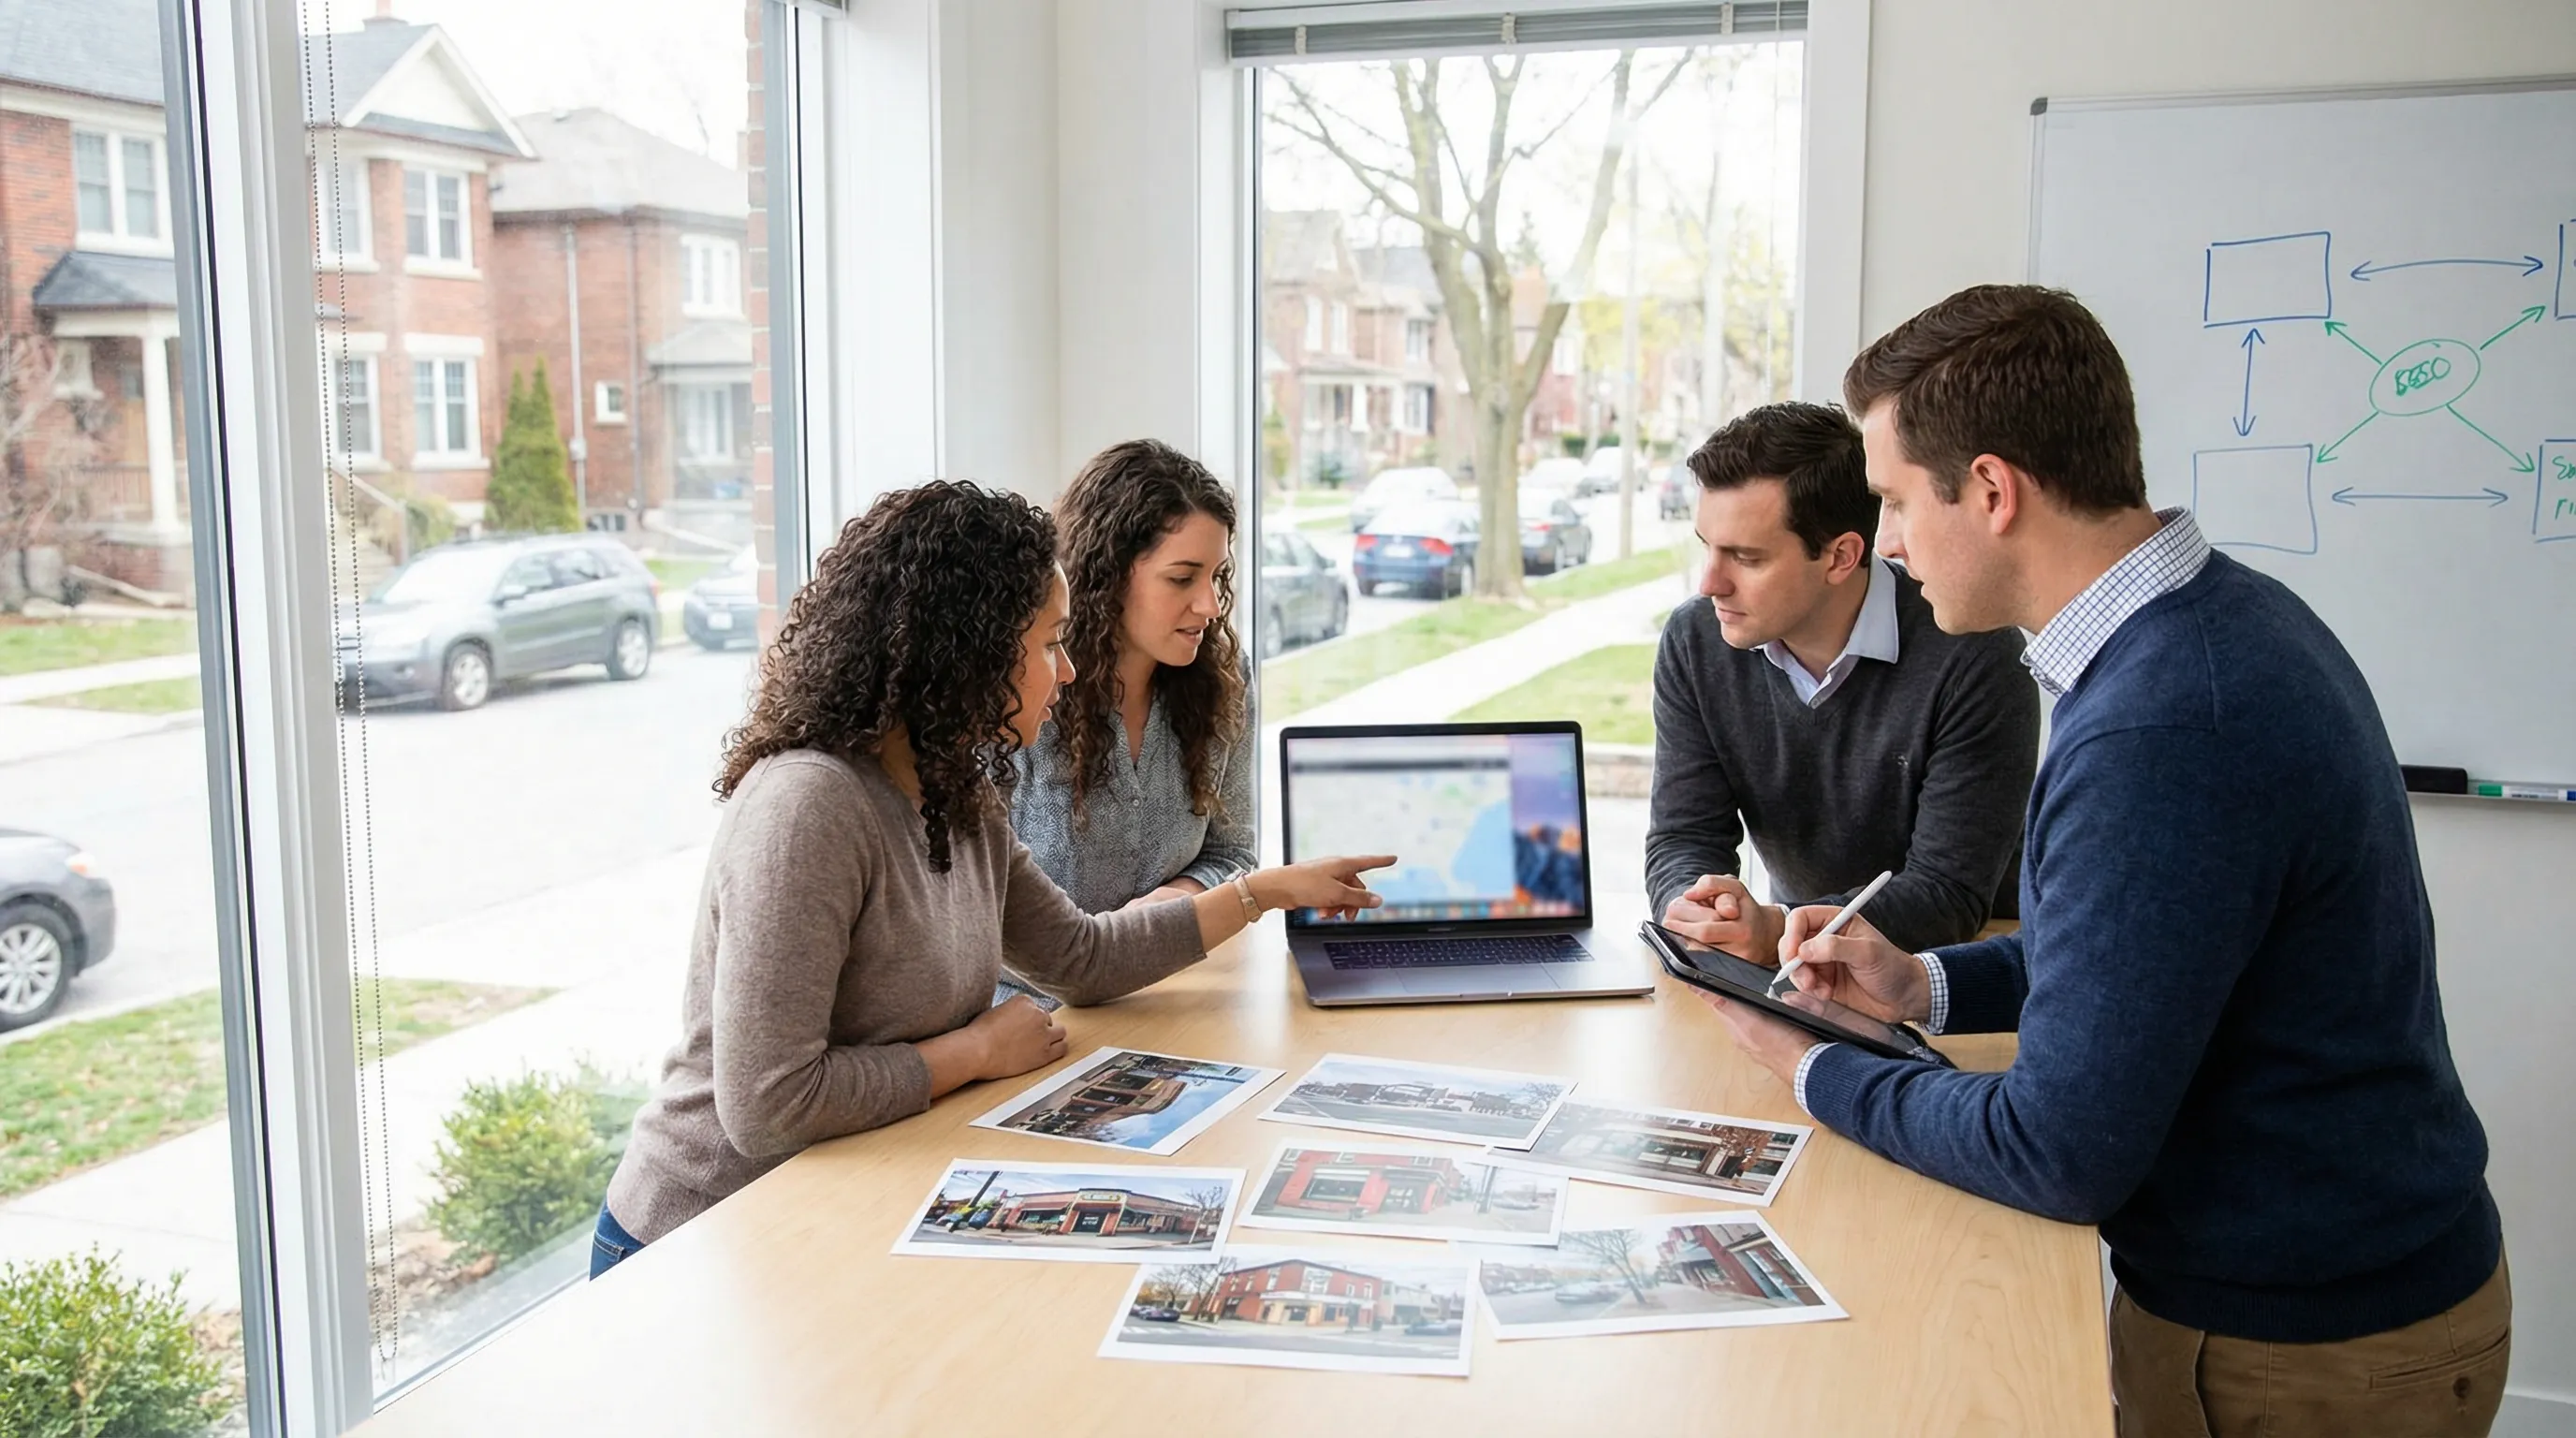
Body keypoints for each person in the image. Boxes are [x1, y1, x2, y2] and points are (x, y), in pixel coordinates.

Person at [1695, 286, 2508, 1437]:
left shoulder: (2162, 723)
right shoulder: (2209, 625)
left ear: (1989, 490)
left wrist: (1812, 1067)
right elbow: (2148, 952)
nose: (1880, 544)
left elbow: (2057, 1152)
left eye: (1890, 501)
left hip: (2300, 1344)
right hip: (2336, 1292)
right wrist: (1923, 984)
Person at [593, 481, 1390, 1278]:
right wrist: (972, 1051)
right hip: (703, 1238)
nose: (1070, 671)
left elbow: (1081, 958)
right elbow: (768, 1104)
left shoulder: (954, 788)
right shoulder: (811, 802)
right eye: (1048, 643)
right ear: (966, 650)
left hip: (845, 1205)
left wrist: (1265, 891)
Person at [1648, 401, 2039, 958]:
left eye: (1746, 558)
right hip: (1798, 961)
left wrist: (1778, 928)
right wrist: (1699, 908)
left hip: (1961, 960)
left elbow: (1946, 893)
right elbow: (1684, 836)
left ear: (1840, 557)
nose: (1712, 583)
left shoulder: (1973, 652)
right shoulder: (1697, 640)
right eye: (1707, 547)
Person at [1011, 439, 1253, 914]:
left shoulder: (1225, 677)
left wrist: (1175, 901)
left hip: (1170, 981)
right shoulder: (1023, 687)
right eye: (1182, 579)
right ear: (1108, 575)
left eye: (1215, 577)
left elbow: (1233, 854)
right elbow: (965, 899)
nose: (1208, 605)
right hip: (1036, 991)